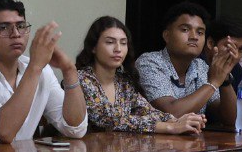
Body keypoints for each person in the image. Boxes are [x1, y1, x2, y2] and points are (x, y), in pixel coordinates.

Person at [0, 0, 87, 143]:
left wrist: (69, 70)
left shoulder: (40, 70)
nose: (15, 34)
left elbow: (75, 129)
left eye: (21, 26)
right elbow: (3, 132)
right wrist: (34, 67)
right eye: (3, 28)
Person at [75, 16, 204, 135]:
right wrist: (170, 127)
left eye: (123, 43)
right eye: (110, 42)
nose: (118, 49)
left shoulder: (123, 81)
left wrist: (178, 121)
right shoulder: (81, 79)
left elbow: (146, 110)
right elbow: (109, 119)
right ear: (93, 47)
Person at [135, 2, 237, 124]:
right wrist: (213, 83)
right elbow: (171, 113)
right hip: (153, 141)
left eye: (200, 32)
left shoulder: (201, 67)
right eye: (185, 29)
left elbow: (231, 119)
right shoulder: (149, 62)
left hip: (192, 141)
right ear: (166, 36)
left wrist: (224, 78)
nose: (194, 37)